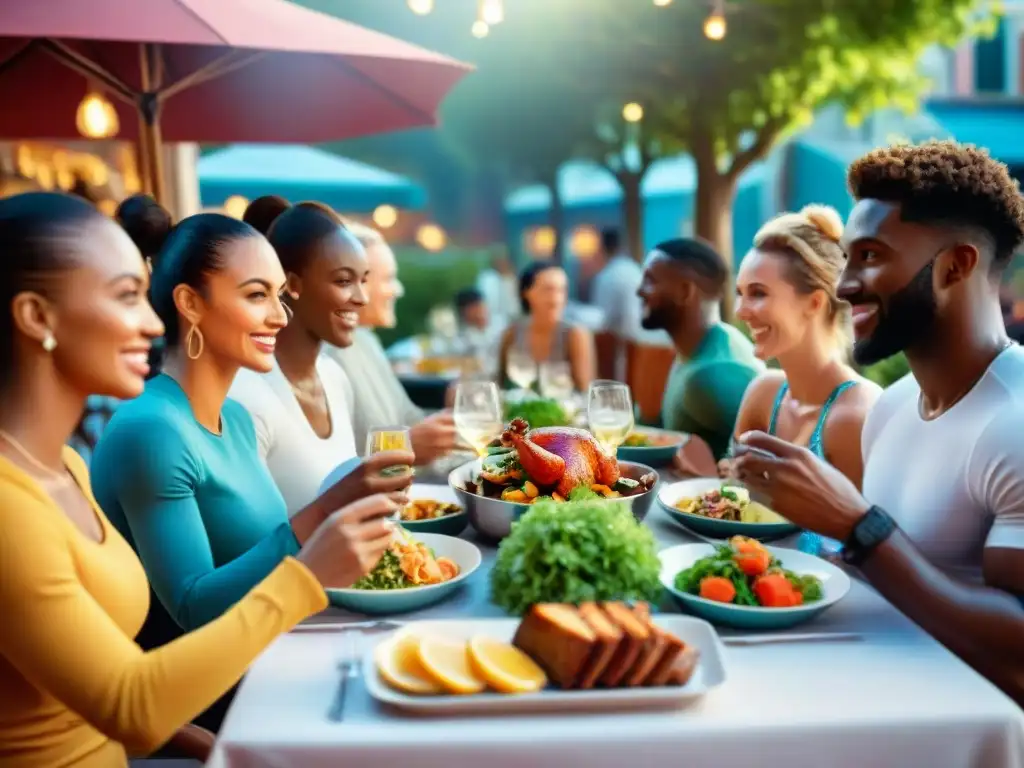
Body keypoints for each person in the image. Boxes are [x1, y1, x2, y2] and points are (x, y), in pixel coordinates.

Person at [0, 192, 399, 767]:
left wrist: (193, 737)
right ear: (37, 317)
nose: (147, 320)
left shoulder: (69, 467)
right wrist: (309, 567)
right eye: (126, 296)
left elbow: (109, 669)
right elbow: (136, 695)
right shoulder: (25, 502)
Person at [90, 213, 413, 730]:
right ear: (190, 303)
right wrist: (323, 514)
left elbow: (260, 562)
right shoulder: (151, 430)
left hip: (269, 660)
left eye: (281, 295)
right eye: (257, 295)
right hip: (206, 709)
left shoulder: (236, 419)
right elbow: (191, 609)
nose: (281, 317)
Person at [731, 140, 1024, 705]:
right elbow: (878, 584)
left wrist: (859, 526)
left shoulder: (1014, 420)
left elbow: (1018, 652)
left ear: (955, 266)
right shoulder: (891, 406)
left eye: (869, 256)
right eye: (847, 259)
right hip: (855, 696)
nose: (843, 285)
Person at [229, 203, 384, 516]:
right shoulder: (245, 397)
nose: (362, 298)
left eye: (363, 280)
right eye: (343, 281)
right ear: (293, 285)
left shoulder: (335, 378)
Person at [718, 205, 879, 487]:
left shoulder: (854, 418)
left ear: (814, 302)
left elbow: (863, 530)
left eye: (758, 293)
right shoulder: (763, 393)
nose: (741, 311)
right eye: (740, 293)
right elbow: (728, 501)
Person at [328, 220, 459, 466]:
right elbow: (332, 464)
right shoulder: (326, 358)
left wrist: (451, 416)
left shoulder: (366, 339)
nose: (398, 290)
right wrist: (406, 446)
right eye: (389, 279)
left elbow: (409, 417)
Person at [637, 238, 764, 466]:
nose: (639, 291)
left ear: (685, 291)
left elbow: (766, 461)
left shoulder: (711, 375)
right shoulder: (693, 350)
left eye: (650, 280)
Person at [498, 260, 596, 392]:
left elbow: (586, 392)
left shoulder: (576, 334)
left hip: (565, 411)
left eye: (562, 290)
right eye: (548, 290)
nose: (556, 299)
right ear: (526, 293)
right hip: (520, 411)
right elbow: (500, 386)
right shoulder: (512, 334)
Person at [589, 227, 651, 378]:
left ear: (602, 248)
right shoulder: (635, 269)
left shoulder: (607, 275)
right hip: (642, 343)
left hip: (618, 347)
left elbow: (602, 318)